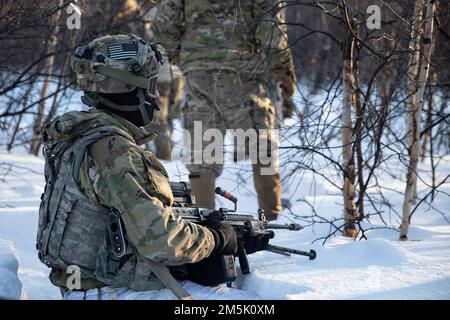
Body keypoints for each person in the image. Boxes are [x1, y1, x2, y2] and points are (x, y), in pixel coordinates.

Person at [36, 34, 257, 300]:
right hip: (113, 291)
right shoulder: (115, 151)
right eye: (150, 86)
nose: (154, 96)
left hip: (85, 286)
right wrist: (218, 239)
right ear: (127, 86)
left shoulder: (78, 135)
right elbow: (162, 243)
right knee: (248, 303)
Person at [152, 0, 297, 221]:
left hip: (199, 77)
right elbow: (274, 37)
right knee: (262, 149)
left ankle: (204, 223)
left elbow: (164, 24)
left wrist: (186, 58)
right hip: (244, 77)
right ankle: (273, 216)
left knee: (203, 157)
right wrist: (287, 83)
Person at [144, 6, 185, 160]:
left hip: (156, 74)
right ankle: (163, 157)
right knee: (162, 120)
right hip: (170, 72)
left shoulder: (149, 13)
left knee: (157, 122)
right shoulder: (174, 9)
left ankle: (162, 159)